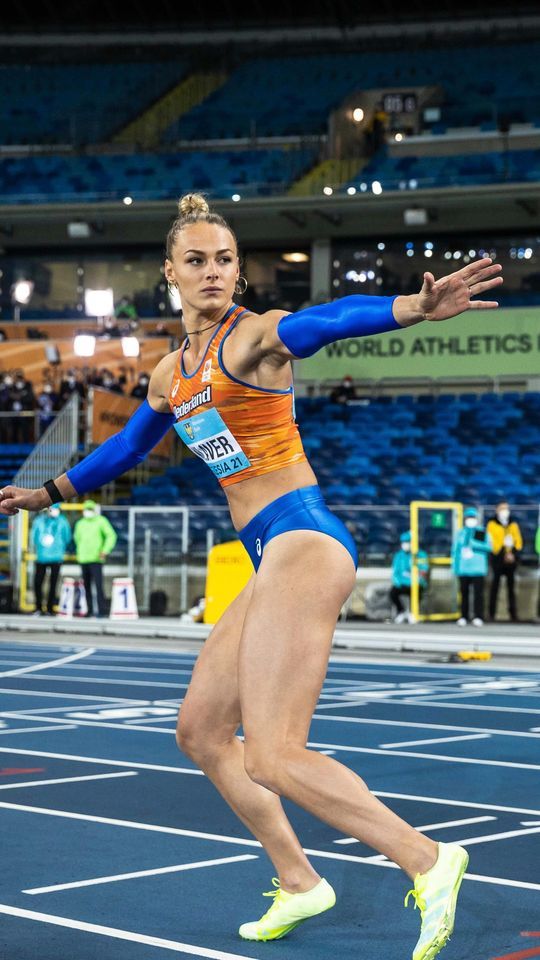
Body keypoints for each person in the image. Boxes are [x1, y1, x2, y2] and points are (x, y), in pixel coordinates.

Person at [0, 192, 504, 960]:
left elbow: (325, 321)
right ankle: (301, 880)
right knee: (202, 731)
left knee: (273, 751)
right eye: (196, 260)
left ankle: (429, 860)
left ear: (239, 271)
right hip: (270, 553)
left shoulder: (254, 339)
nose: (212, 272)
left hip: (304, 539)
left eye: (225, 259)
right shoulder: (173, 373)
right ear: (169, 271)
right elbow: (131, 446)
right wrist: (50, 492)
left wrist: (409, 306)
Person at [73, 500, 117, 618]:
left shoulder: (101, 521)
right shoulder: (80, 523)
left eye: (90, 509)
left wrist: (105, 550)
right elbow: (77, 539)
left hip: (96, 559)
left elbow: (111, 536)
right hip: (83, 559)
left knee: (99, 586)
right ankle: (89, 610)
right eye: (86, 509)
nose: (88, 512)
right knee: (86, 587)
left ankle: (102, 611)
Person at [451, 507, 492, 627]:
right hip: (464, 568)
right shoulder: (461, 533)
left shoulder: (481, 532)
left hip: (477, 569)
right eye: (468, 518)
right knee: (464, 594)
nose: (470, 520)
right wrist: (455, 567)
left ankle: (478, 616)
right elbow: (455, 551)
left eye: (472, 518)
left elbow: (489, 547)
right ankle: (464, 616)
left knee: (478, 594)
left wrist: (474, 544)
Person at [29, 505, 72, 615]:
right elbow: (34, 537)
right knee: (38, 583)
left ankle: (49, 608)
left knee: (52, 583)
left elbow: (67, 537)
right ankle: (39, 607)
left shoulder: (62, 521)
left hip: (55, 557)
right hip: (42, 557)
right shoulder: (39, 521)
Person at [486, 500, 523, 622]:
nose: (505, 511)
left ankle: (513, 614)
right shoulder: (491, 524)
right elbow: (491, 541)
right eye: (502, 508)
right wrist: (502, 551)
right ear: (497, 510)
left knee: (511, 588)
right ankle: (491, 614)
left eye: (506, 508)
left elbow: (518, 541)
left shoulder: (513, 524)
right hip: (497, 558)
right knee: (494, 587)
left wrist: (512, 553)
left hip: (511, 560)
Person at [390, 530, 429, 624]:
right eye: (404, 542)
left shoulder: (421, 555)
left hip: (416, 583)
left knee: (417, 592)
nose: (405, 544)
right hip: (403, 583)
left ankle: (412, 612)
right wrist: (398, 582)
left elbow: (424, 571)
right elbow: (395, 572)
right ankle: (402, 612)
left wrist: (417, 580)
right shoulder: (398, 556)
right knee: (393, 593)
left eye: (408, 542)